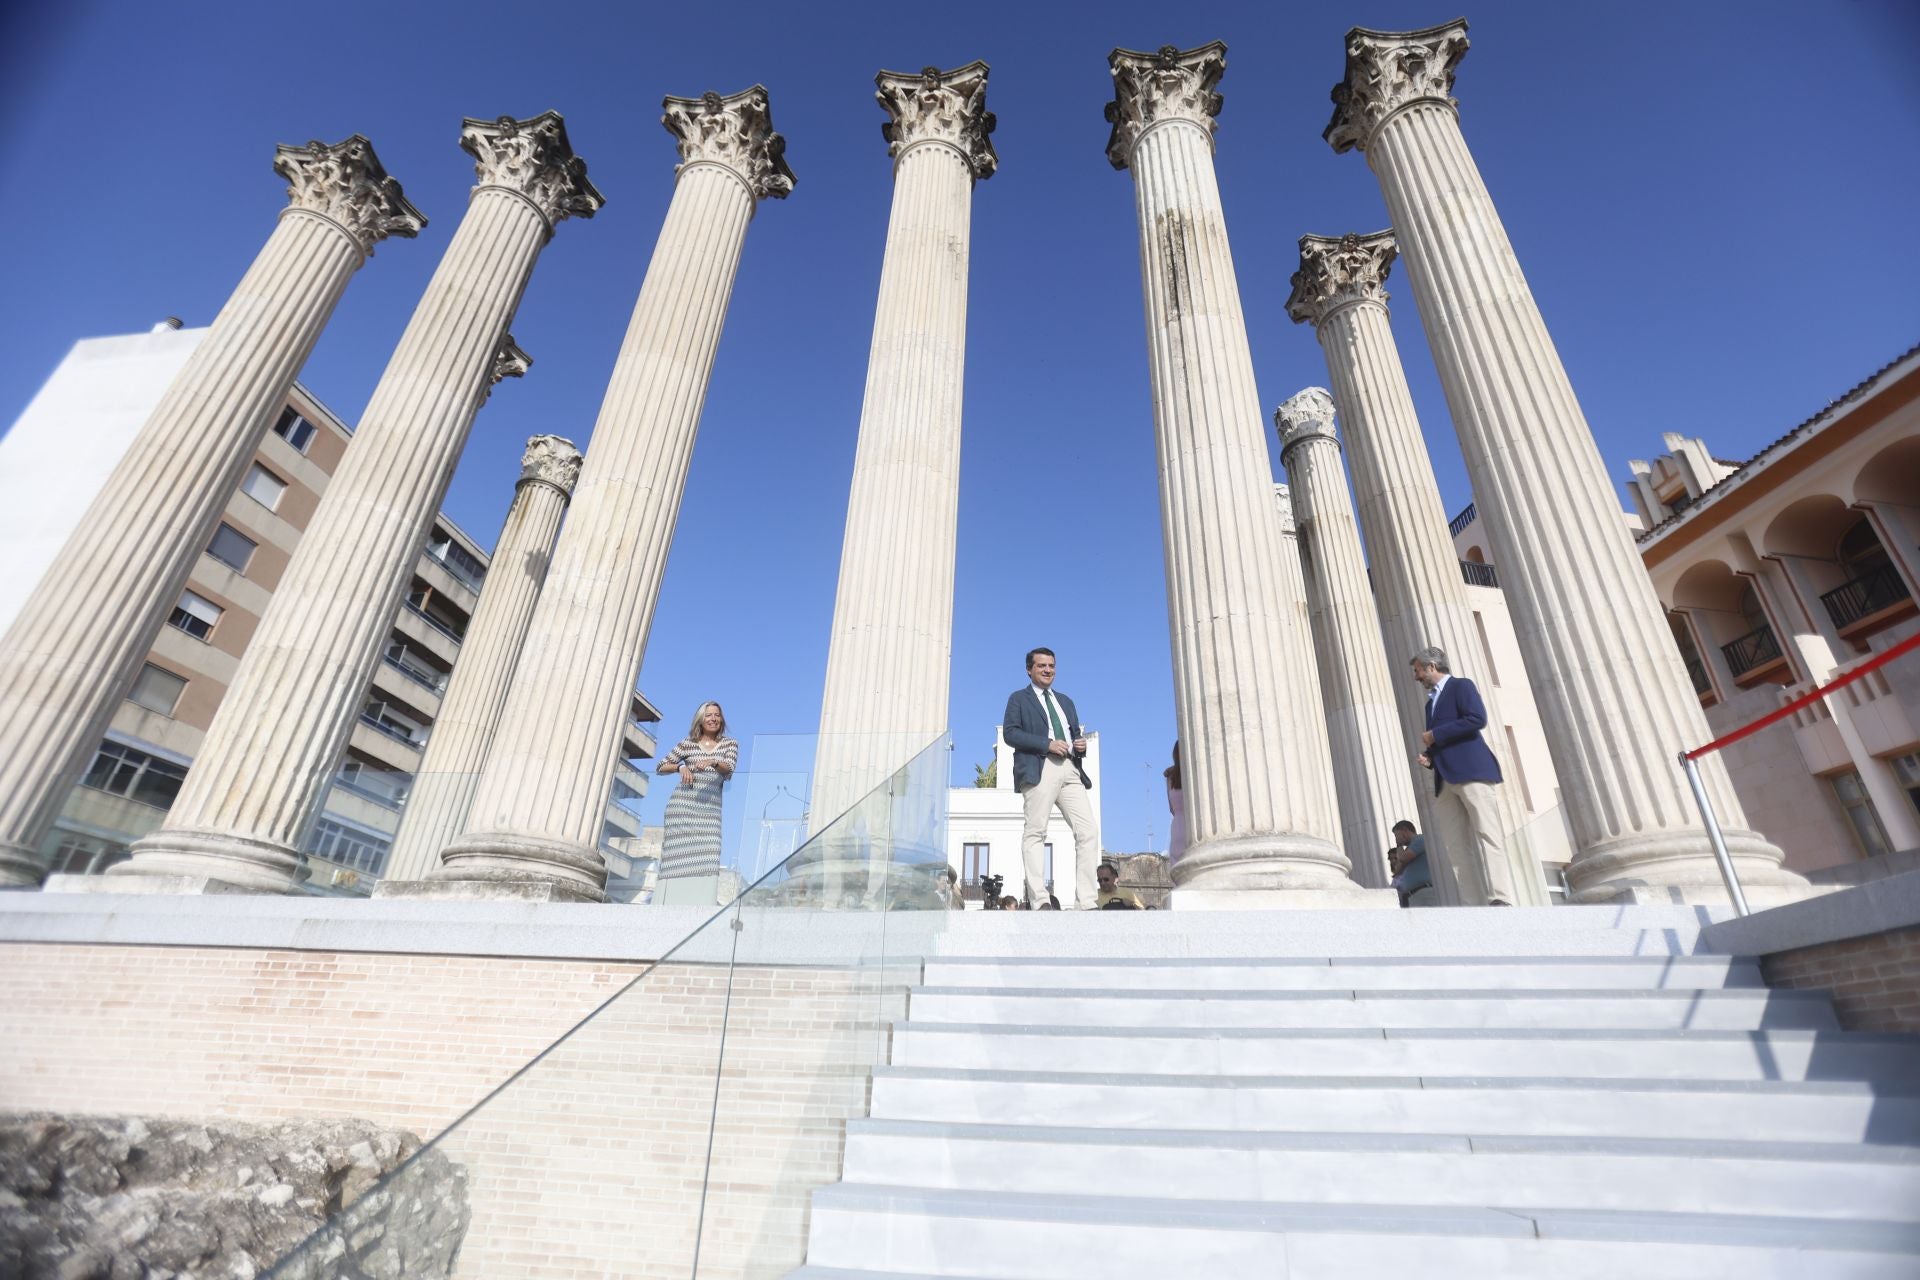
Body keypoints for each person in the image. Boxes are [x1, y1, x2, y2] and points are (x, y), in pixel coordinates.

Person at [1411, 647, 1515, 906]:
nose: (1416, 677)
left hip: (1471, 771)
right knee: (1455, 847)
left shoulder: (1461, 686)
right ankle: (1472, 904)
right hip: (1445, 780)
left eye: (1418, 670)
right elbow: (1443, 739)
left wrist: (1436, 735)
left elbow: (1476, 719)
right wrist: (1430, 756)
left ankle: (1499, 898)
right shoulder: (1429, 704)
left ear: (1432, 666)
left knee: (1487, 834)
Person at [1002, 647, 1101, 909]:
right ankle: (1040, 900)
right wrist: (1046, 744)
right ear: (1029, 669)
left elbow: (1074, 735)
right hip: (1039, 766)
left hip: (1070, 769)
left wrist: (1081, 746)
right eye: (1042, 666)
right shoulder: (1018, 699)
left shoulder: (1066, 701)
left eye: (1052, 666)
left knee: (1088, 830)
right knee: (1036, 831)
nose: (1048, 670)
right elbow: (1010, 734)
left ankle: (1087, 901)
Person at [656, 701, 738, 881]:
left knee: (709, 856)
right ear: (700, 720)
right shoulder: (688, 743)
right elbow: (660, 767)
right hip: (682, 808)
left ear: (722, 720)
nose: (713, 719)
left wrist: (713, 762)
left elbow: (729, 769)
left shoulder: (730, 744)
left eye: (717, 715)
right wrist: (680, 768)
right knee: (674, 861)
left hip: (710, 811)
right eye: (709, 715)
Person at [1387, 819, 1431, 908]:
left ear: (1405, 830)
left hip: (1423, 890)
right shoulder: (1408, 849)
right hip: (1412, 895)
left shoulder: (1420, 840)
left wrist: (1399, 845)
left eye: (1397, 835)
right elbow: (1398, 870)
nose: (1396, 839)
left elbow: (1403, 858)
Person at [1164, 742, 1186, 867]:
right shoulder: (1195, 773)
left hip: (1177, 827)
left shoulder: (1170, 777)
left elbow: (1171, 808)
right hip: (1192, 826)